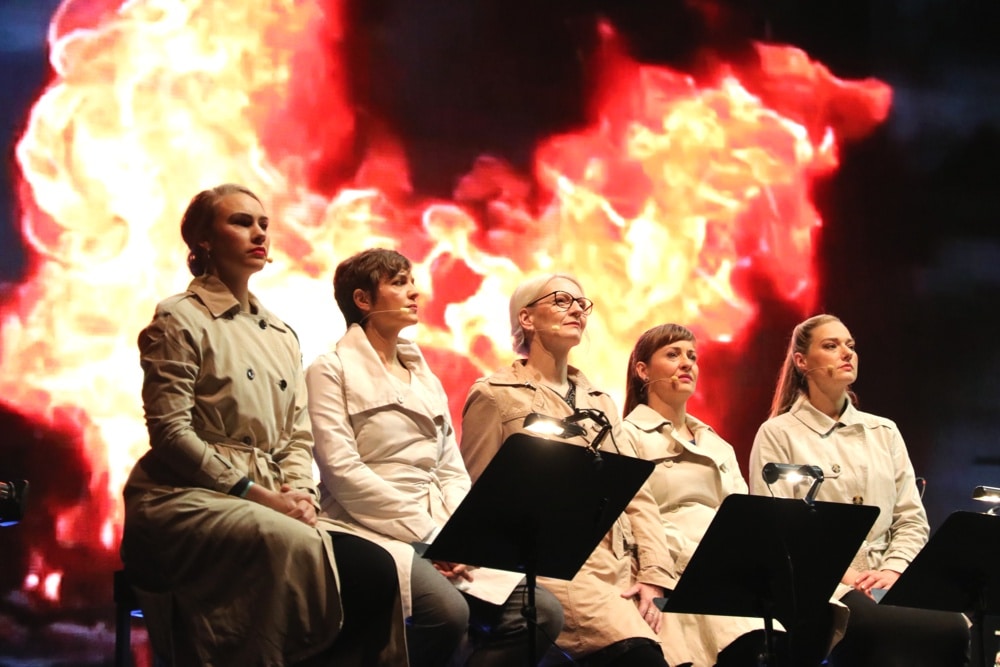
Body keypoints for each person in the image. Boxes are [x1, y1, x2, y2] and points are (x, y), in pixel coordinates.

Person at [120, 184, 405, 666]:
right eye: (241, 222)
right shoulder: (180, 318)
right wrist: (257, 493)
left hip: (272, 494)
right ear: (204, 241)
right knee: (290, 546)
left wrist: (303, 495)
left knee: (376, 569)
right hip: (184, 496)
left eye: (264, 224)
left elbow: (297, 435)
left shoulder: (279, 333)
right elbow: (171, 435)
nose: (258, 233)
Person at [306, 248, 563, 667]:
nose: (414, 292)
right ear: (362, 300)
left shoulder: (424, 375)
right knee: (446, 612)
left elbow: (450, 468)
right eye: (399, 282)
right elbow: (342, 471)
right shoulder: (329, 369)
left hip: (438, 528)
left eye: (412, 281)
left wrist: (461, 537)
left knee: (543, 614)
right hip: (365, 526)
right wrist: (428, 536)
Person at [460, 274, 675, 667]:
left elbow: (636, 495)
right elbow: (475, 493)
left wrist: (654, 574)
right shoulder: (494, 395)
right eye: (561, 300)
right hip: (555, 571)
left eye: (581, 303)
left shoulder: (600, 402)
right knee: (640, 657)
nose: (577, 309)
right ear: (526, 318)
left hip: (621, 569)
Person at [749, 313, 970, 667]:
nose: (846, 353)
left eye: (850, 345)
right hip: (825, 587)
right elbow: (781, 531)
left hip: (890, 578)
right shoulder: (778, 434)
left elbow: (911, 519)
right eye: (831, 345)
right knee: (875, 629)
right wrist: (849, 576)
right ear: (802, 362)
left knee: (954, 628)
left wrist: (895, 569)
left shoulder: (885, 431)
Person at [621, 323, 838, 667]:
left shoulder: (716, 443)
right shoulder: (626, 436)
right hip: (675, 568)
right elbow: (636, 516)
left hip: (730, 566)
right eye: (673, 354)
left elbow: (743, 515)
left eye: (692, 356)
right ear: (643, 370)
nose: (687, 363)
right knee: (743, 648)